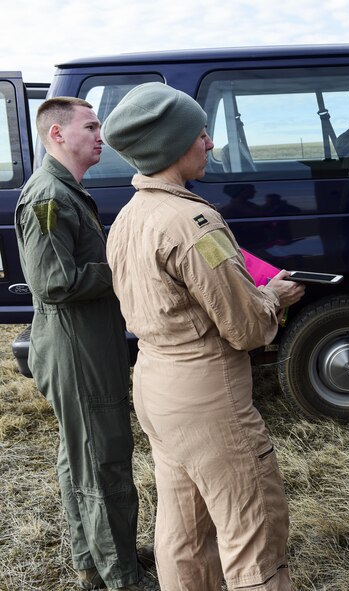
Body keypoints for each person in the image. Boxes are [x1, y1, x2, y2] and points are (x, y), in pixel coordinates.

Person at [101, 82, 305, 590]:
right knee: (254, 533)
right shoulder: (194, 223)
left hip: (155, 384)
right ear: (173, 145)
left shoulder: (130, 216)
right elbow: (246, 327)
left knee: (183, 533)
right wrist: (273, 298)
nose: (210, 144)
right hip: (207, 395)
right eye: (201, 134)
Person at [14, 98, 157, 590]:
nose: (101, 135)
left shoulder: (65, 190)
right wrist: (123, 266)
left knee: (79, 456)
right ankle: (123, 576)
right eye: (91, 126)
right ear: (57, 135)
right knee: (103, 460)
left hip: (85, 341)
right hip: (77, 347)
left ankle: (95, 560)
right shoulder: (48, 196)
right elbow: (54, 281)